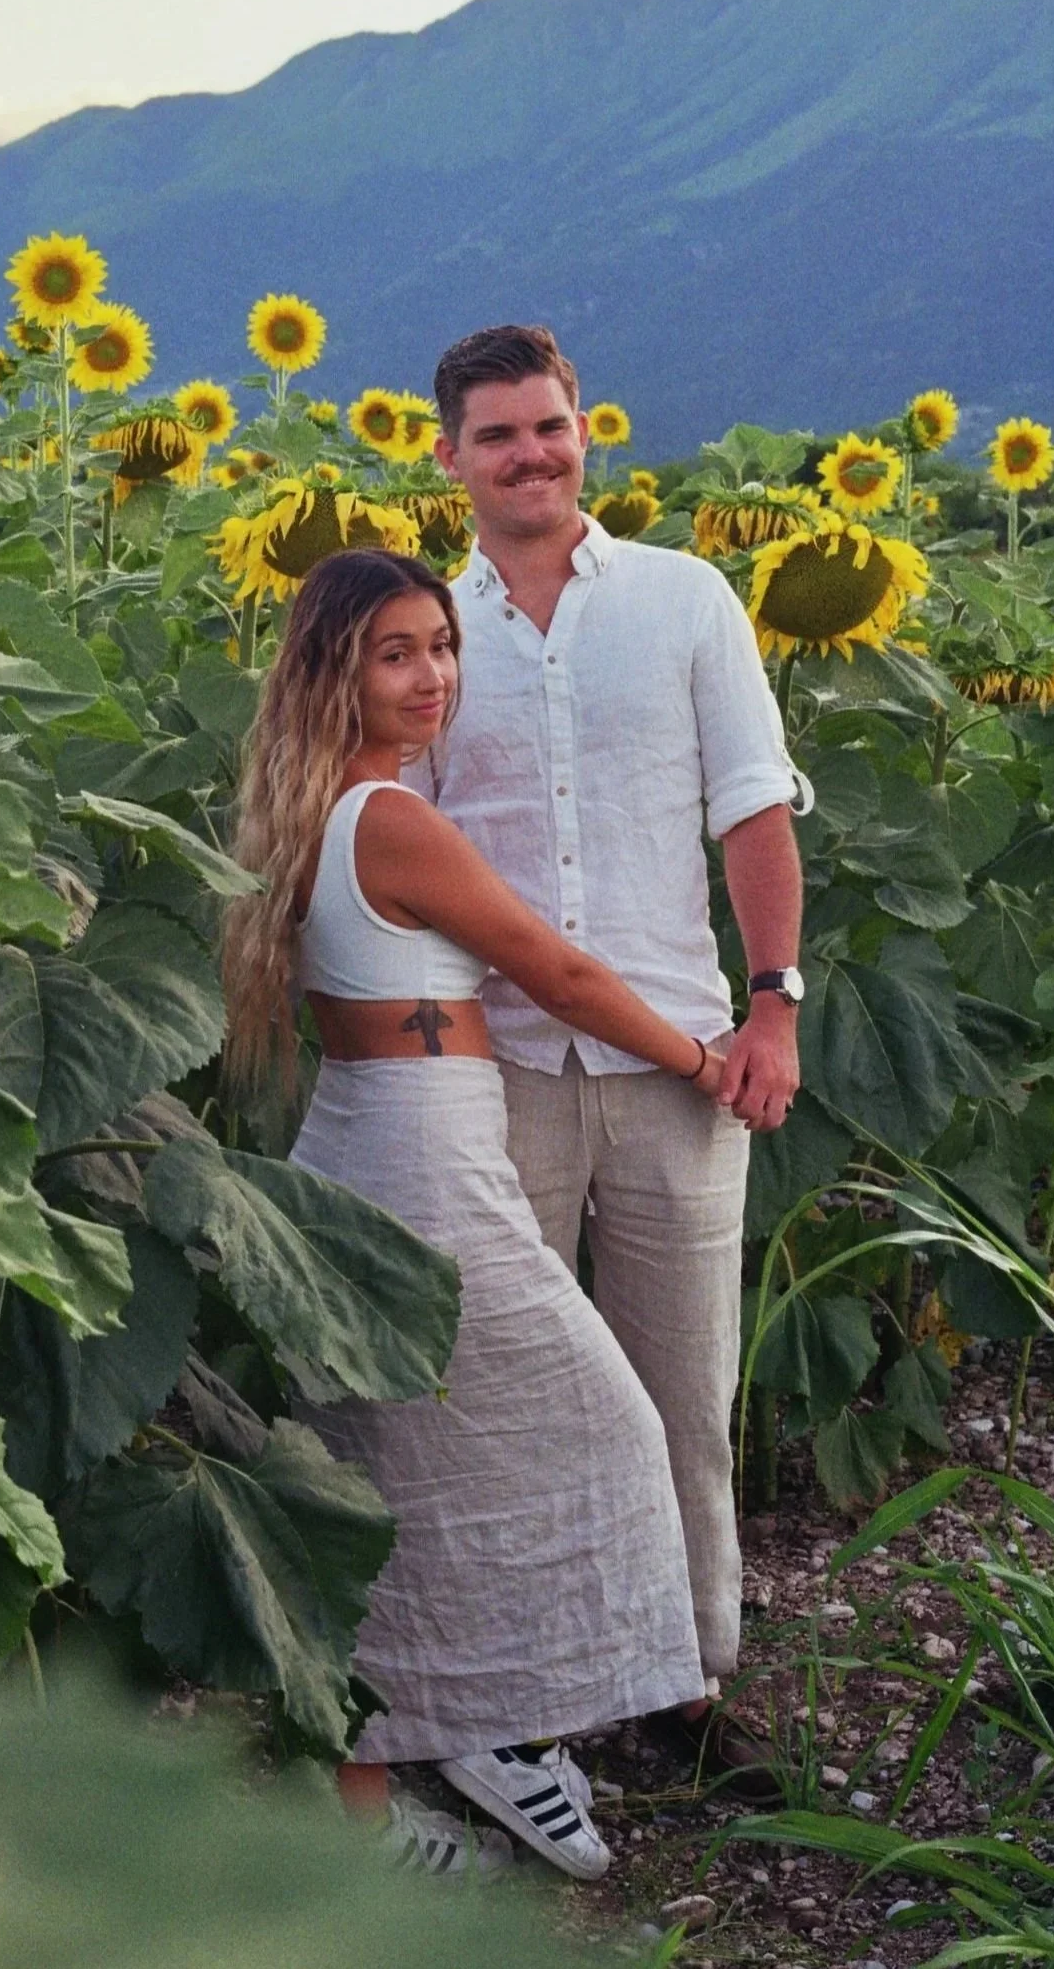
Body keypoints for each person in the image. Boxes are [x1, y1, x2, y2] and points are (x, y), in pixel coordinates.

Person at [222, 548, 727, 1882]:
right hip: (420, 1154)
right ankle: (488, 1740)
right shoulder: (390, 821)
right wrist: (697, 1061)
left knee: (390, 1473)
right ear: (340, 670)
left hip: (377, 1130)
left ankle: (394, 1785)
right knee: (601, 1425)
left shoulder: (319, 805)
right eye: (396, 652)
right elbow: (551, 964)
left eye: (441, 645)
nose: (431, 674)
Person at [424, 324, 808, 1786]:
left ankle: (690, 1684)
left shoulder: (684, 600)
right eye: (500, 434)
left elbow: (754, 811)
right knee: (505, 1392)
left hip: (684, 1065)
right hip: (500, 1068)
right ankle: (517, 1691)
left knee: (680, 1392)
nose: (533, 453)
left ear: (587, 431)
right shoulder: (429, 633)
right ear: (449, 455)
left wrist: (773, 1003)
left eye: (553, 425)